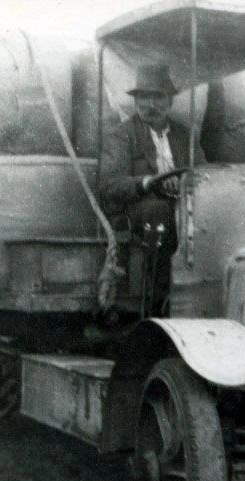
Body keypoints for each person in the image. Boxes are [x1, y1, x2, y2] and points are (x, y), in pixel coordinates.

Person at [99, 64, 205, 315]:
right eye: (144, 97)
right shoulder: (121, 135)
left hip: (181, 204)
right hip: (134, 211)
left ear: (169, 101)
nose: (151, 104)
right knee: (158, 212)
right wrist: (148, 182)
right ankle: (159, 305)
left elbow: (204, 173)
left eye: (158, 97)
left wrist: (183, 183)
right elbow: (109, 186)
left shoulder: (185, 136)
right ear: (135, 101)